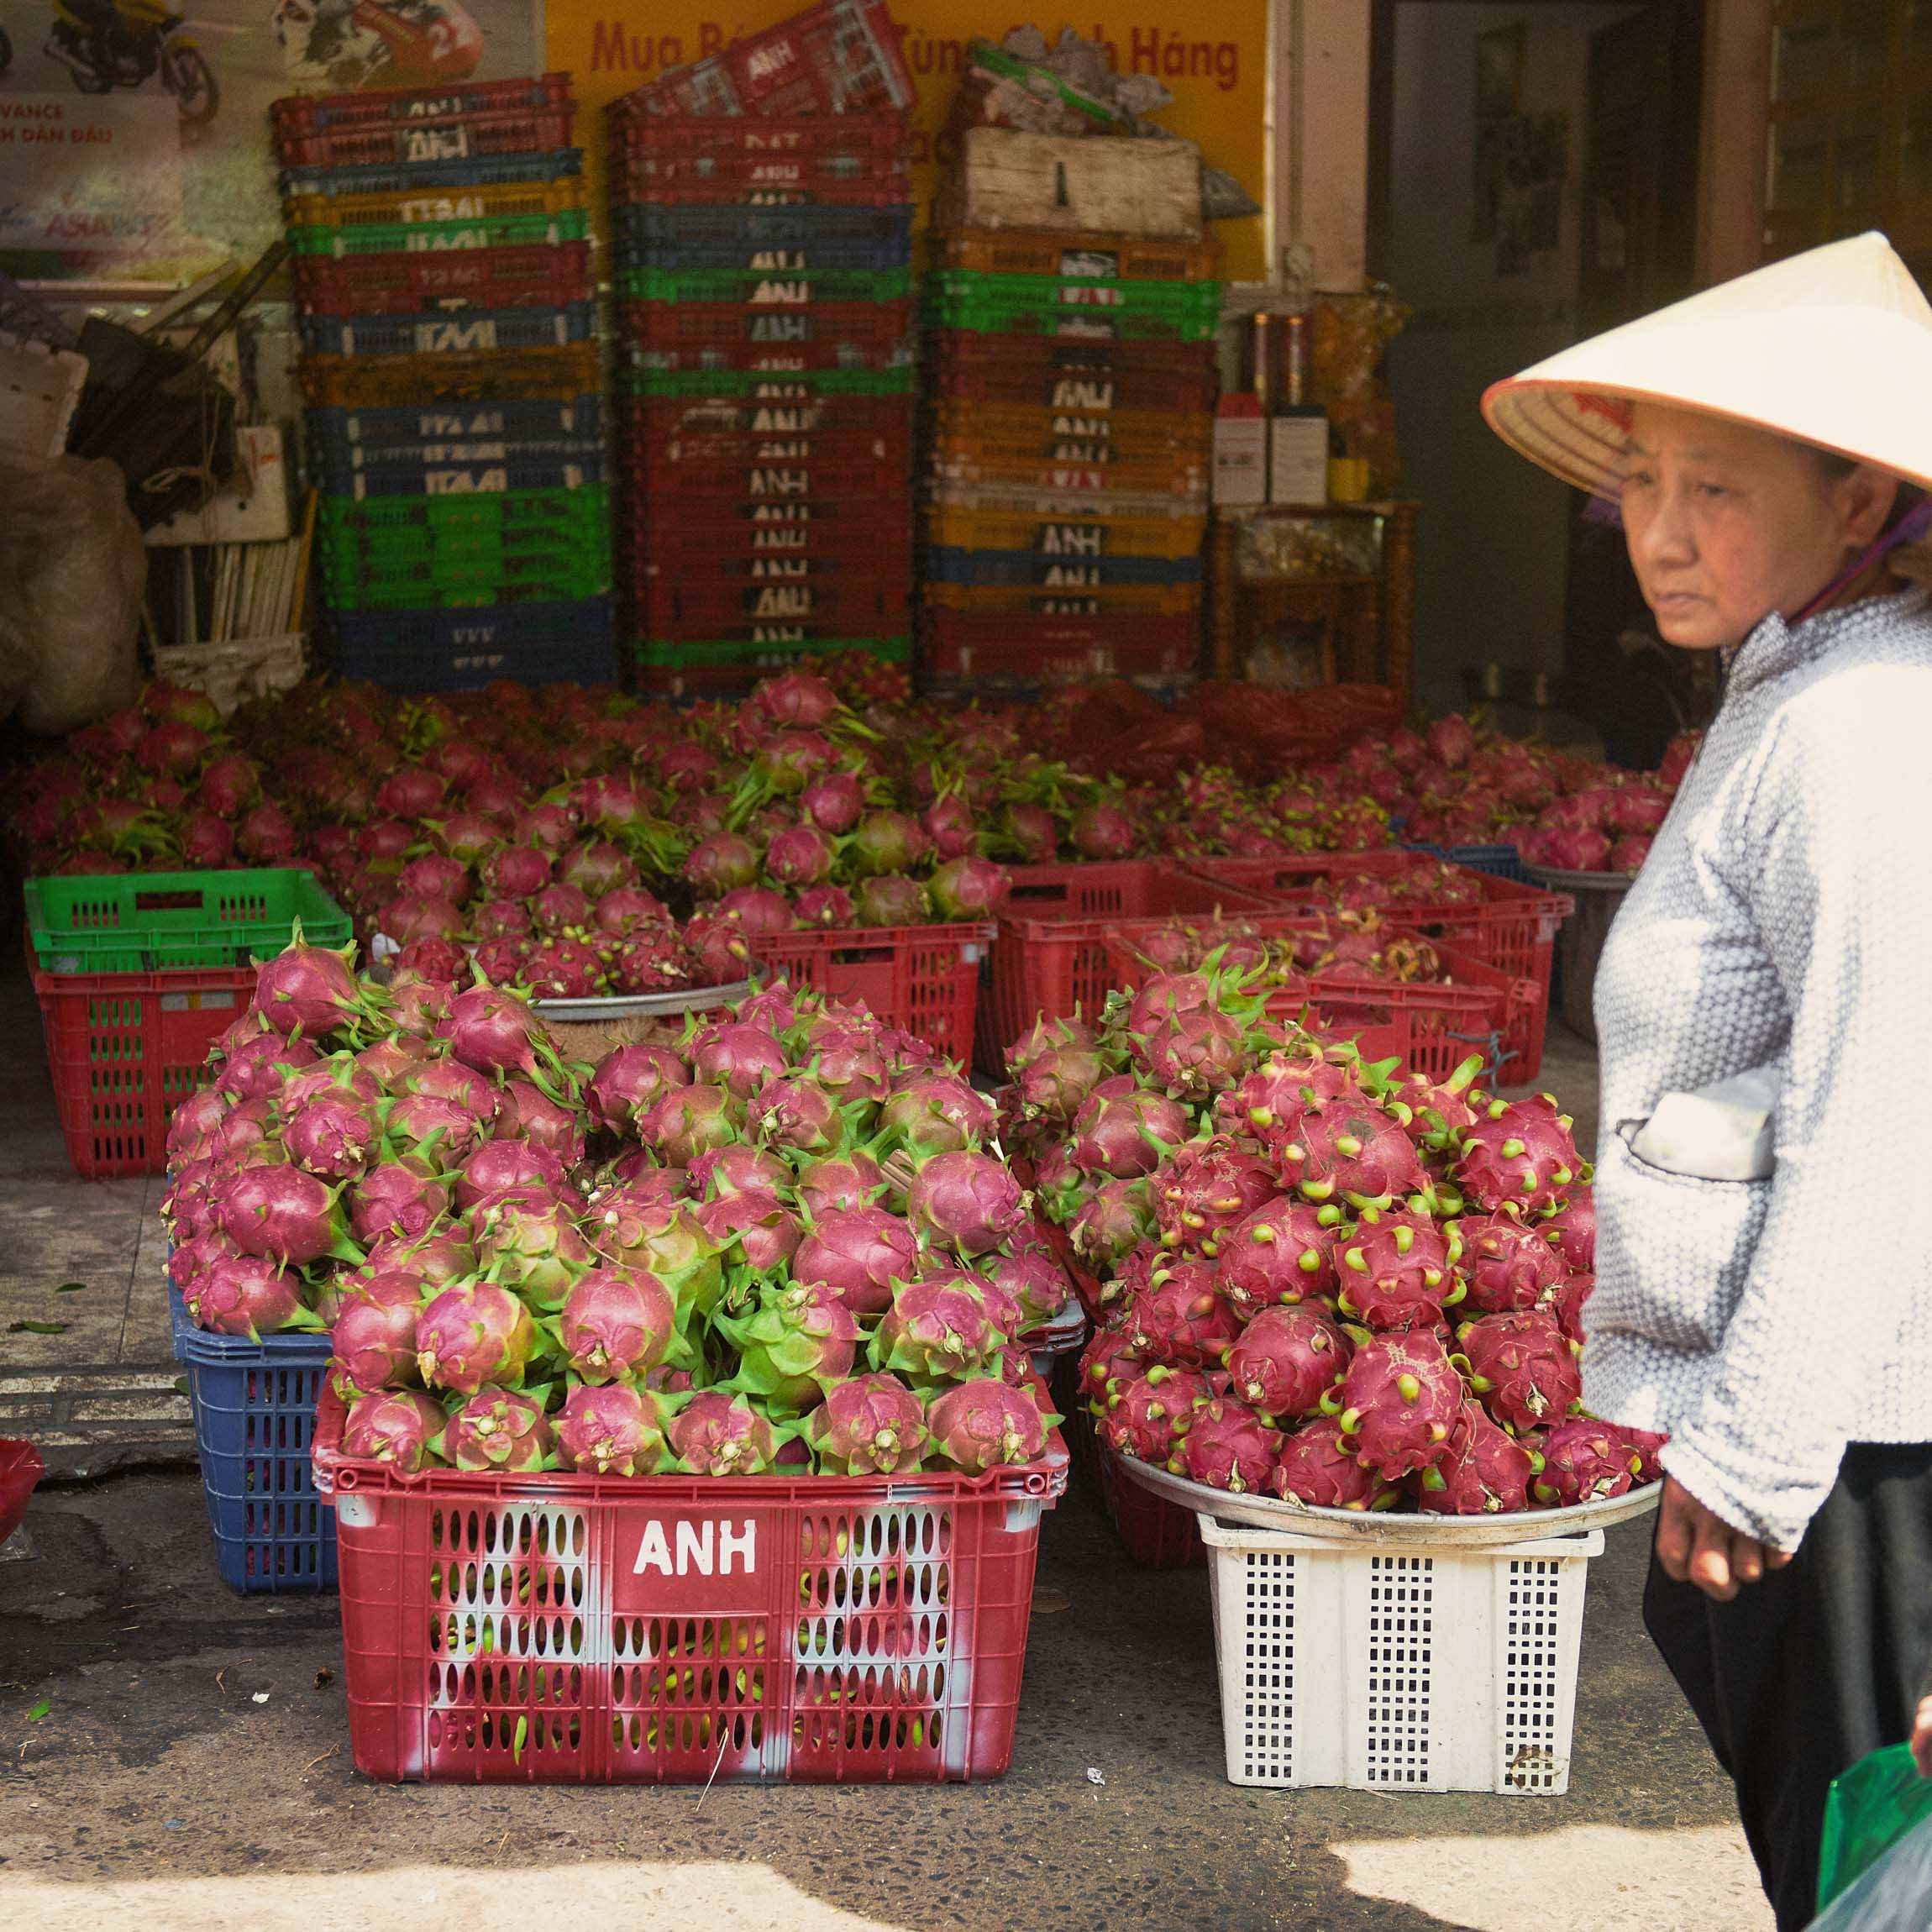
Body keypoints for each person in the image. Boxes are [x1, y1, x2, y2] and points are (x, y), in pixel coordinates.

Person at [1482, 230, 1932, 1931]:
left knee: (1872, 1864)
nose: (1660, 532)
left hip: (1865, 1437)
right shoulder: (1797, 675)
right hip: (1837, 1420)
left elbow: (1882, 1111)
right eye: (1643, 480)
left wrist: (1754, 1452)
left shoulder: (1859, 728)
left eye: (1717, 489)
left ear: (1861, 498)